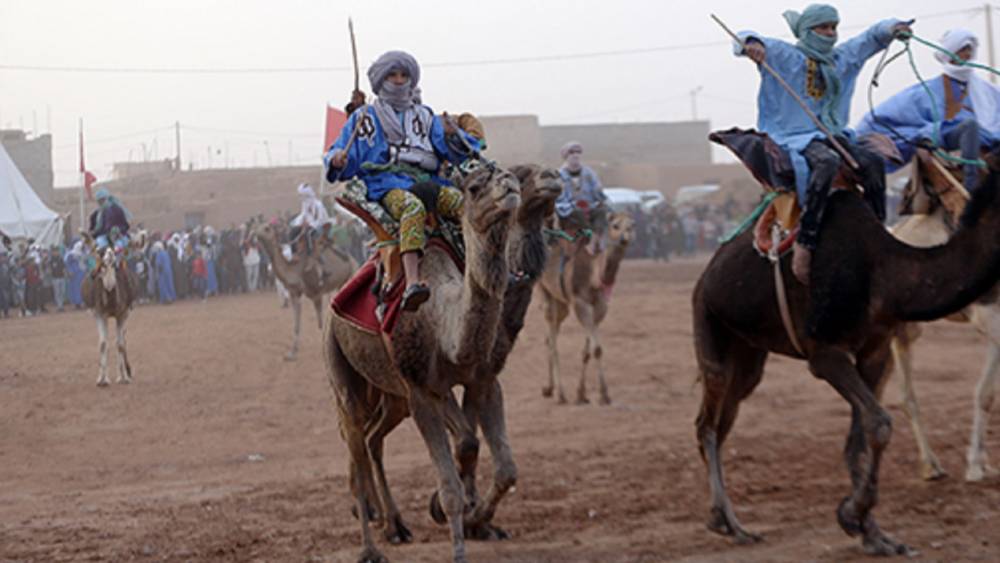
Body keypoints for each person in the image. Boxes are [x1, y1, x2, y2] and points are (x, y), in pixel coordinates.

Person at [735, 4, 909, 282]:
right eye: (823, 27)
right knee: (825, 163)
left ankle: (877, 232)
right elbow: (744, 37)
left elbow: (870, 38)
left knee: (873, 163)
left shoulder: (842, 58)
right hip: (792, 135)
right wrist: (751, 44)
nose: (830, 33)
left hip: (834, 133)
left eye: (833, 27)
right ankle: (807, 239)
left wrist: (891, 28)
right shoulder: (784, 55)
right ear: (806, 30)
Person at [325, 50, 478, 311]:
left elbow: (451, 150)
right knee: (412, 208)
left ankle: (481, 269)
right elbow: (343, 154)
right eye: (392, 75)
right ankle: (412, 283)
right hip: (388, 185)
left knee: (468, 207)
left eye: (403, 75)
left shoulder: (425, 116)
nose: (398, 80)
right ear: (381, 79)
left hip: (429, 183)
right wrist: (338, 159)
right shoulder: (365, 118)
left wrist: (454, 136)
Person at [856, 28, 1000, 193]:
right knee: (970, 126)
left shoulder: (988, 90)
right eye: (961, 50)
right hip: (948, 135)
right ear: (949, 53)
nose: (966, 55)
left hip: (988, 139)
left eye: (969, 50)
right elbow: (883, 116)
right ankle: (971, 187)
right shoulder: (926, 90)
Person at [555, 141, 609, 253]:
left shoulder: (589, 173)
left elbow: (597, 190)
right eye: (572, 152)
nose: (576, 155)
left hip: (589, 205)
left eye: (578, 152)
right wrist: (572, 203)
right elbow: (559, 197)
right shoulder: (559, 175)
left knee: (602, 212)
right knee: (577, 213)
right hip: (568, 207)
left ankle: (593, 244)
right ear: (566, 156)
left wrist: (600, 199)